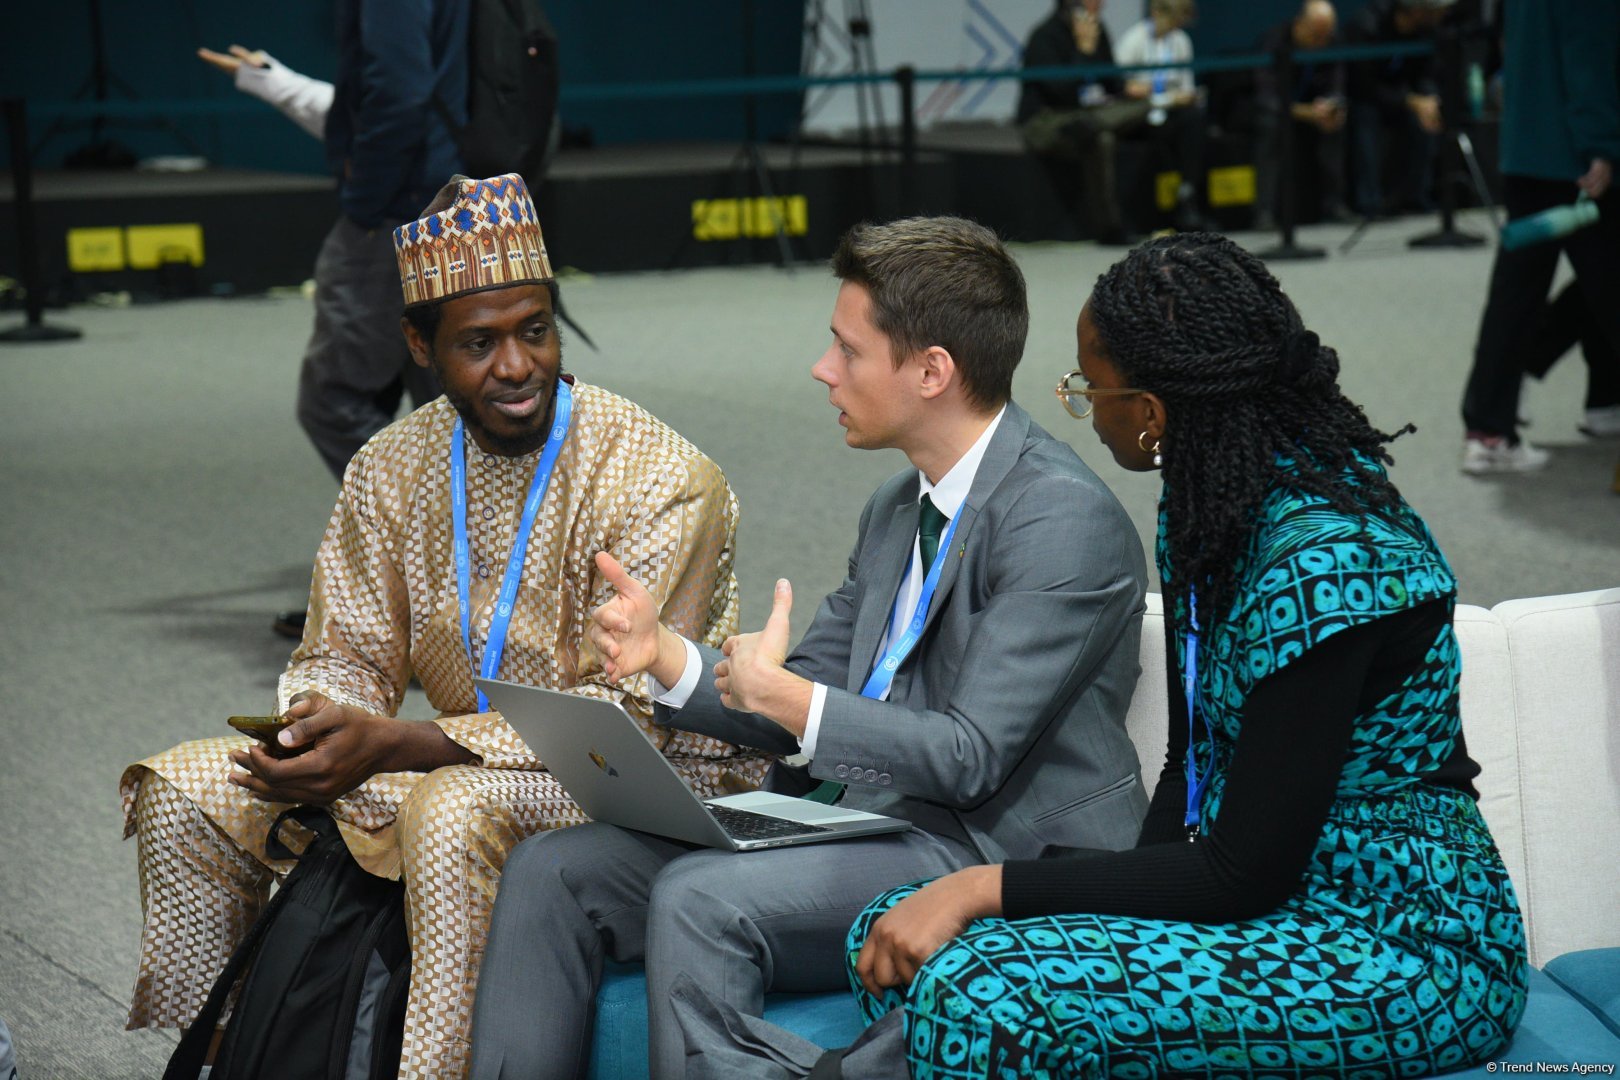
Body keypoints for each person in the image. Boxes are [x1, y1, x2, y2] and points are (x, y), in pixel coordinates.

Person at [682, 231, 1527, 1079]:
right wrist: (1088, 913)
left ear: (1153, 410)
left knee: (979, 984)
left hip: (1393, 938)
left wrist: (990, 889)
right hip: (1269, 897)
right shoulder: (1208, 512)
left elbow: (1243, 872)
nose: (1082, 404)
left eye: (1092, 388)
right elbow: (1188, 771)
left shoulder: (1328, 559)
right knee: (894, 926)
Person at [466, 216, 1150, 1079]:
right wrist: (667, 656)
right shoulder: (900, 507)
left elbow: (970, 756)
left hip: (987, 850)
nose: (825, 370)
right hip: (859, 820)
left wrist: (788, 698)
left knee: (696, 896)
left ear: (932, 370)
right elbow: (805, 693)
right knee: (551, 871)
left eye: (848, 350)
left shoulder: (1059, 517)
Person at [120, 174, 770, 1080]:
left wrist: (402, 742)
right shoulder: (392, 464)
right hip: (432, 757)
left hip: (643, 783)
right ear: (419, 347)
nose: (515, 366)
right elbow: (342, 651)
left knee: (451, 813)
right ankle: (235, 1052)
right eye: (478, 343)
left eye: (534, 330)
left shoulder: (660, 477)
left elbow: (622, 722)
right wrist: (322, 729)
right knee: (185, 792)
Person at [201, 0, 465, 639]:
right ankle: (462, 606)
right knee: (454, 409)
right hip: (453, 204)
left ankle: (423, 592)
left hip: (397, 213)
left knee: (336, 399)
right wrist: (279, 83)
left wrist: (365, 201)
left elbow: (400, 96)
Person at [1460, 0, 1620, 474]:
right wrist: (1602, 145)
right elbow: (1586, 56)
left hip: (1529, 148)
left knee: (1516, 296)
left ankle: (1488, 431)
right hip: (1575, 159)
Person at [1016, 0, 1153, 245]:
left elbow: (1113, 82)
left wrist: (1131, 89)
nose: (1102, 4)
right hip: (1047, 120)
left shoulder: (1099, 31)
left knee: (1142, 107)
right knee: (1102, 138)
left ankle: (1093, 123)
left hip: (1089, 115)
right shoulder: (1044, 37)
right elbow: (1062, 93)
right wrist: (1084, 52)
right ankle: (1110, 228)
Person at [1344, 0, 1451, 218]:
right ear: (1415, 11)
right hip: (1367, 99)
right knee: (1366, 121)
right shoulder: (1367, 25)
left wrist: (1428, 100)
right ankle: (1370, 202)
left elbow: (1426, 73)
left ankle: (1416, 197)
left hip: (1404, 97)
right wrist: (1410, 100)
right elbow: (1364, 85)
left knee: (1427, 121)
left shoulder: (1426, 30)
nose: (1437, 14)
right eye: (1430, 10)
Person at [1253, 0, 1352, 230]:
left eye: (1325, 35)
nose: (1321, 42)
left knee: (1337, 123)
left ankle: (1335, 204)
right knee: (1269, 126)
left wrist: (1332, 106)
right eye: (1316, 35)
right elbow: (1265, 98)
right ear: (1299, 25)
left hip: (1315, 112)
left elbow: (1338, 85)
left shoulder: (1331, 42)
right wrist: (1304, 112)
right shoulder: (1273, 42)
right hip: (1278, 111)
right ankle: (1264, 212)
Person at [1113, 0, 1211, 232]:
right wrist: (1163, 97)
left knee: (1194, 121)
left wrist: (1177, 98)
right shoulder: (1133, 40)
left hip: (1170, 111)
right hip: (1140, 115)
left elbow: (1185, 88)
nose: (1175, 24)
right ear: (1156, 12)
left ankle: (1187, 195)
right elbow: (1122, 88)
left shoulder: (1180, 41)